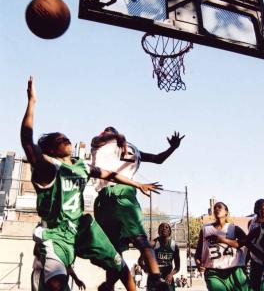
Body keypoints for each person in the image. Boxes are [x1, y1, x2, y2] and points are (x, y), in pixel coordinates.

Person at [21, 77, 162, 291]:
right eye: (60, 139)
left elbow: (111, 174)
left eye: (66, 136)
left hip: (82, 227)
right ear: (50, 150)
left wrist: (137, 184)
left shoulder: (83, 167)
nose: (66, 139)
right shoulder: (48, 168)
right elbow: (26, 140)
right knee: (58, 285)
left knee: (121, 267)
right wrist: (32, 102)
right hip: (56, 234)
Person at [91, 125, 184, 290]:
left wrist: (116, 136)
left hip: (108, 196)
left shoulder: (102, 144)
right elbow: (158, 159)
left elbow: (97, 139)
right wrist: (172, 148)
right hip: (126, 193)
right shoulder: (133, 149)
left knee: (117, 249)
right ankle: (152, 277)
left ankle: (145, 280)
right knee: (135, 240)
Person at [194, 202, 248, 291]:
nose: (216, 209)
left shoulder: (234, 228)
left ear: (226, 212)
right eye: (215, 208)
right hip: (213, 271)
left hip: (234, 270)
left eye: (219, 207)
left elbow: (244, 243)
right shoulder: (205, 229)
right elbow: (198, 252)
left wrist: (222, 240)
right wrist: (198, 263)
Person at [143, 223, 180, 291]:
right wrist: (147, 269)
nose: (164, 228)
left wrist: (171, 275)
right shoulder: (153, 243)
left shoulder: (174, 246)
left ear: (169, 231)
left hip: (167, 278)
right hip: (154, 279)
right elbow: (141, 260)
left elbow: (177, 267)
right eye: (162, 227)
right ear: (158, 231)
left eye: (166, 227)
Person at [247, 199, 264, 291]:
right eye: (256, 205)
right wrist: (246, 260)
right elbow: (248, 242)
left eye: (262, 205)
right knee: (255, 285)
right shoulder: (251, 222)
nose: (258, 207)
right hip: (255, 259)